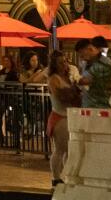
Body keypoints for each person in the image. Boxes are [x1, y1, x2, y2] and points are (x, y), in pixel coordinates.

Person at [46, 50, 81, 188]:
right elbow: (60, 96)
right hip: (59, 116)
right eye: (60, 62)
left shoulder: (67, 77)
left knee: (69, 149)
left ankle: (66, 174)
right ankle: (55, 177)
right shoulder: (54, 79)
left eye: (65, 61)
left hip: (69, 115)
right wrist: (73, 93)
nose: (64, 64)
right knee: (60, 149)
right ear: (54, 65)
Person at [76, 36, 111, 108]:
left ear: (90, 49)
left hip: (102, 106)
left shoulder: (107, 64)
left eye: (81, 52)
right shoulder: (85, 64)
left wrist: (92, 81)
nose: (81, 56)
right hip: (87, 105)